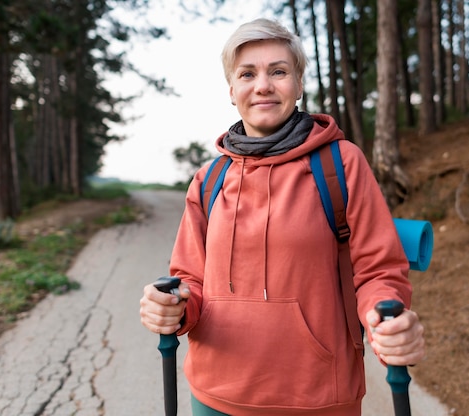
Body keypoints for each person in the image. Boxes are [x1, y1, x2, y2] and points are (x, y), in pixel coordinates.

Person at [140, 18, 425, 416]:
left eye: (278, 71)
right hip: (214, 394)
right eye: (247, 74)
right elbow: (190, 280)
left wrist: (385, 319)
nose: (263, 85)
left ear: (298, 83)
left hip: (318, 396)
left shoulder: (340, 164)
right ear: (232, 90)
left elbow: (378, 271)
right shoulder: (209, 179)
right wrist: (172, 307)